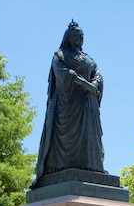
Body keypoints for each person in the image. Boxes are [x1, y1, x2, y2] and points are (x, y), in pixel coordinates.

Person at [32, 20, 105, 186]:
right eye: (76, 36)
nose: (79, 39)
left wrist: (94, 84)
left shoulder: (88, 58)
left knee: (91, 135)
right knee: (66, 135)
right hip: (69, 103)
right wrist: (86, 85)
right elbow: (65, 74)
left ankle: (91, 165)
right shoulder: (60, 56)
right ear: (68, 37)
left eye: (81, 36)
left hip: (87, 105)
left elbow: (98, 74)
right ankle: (61, 166)